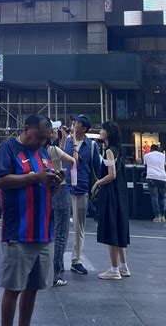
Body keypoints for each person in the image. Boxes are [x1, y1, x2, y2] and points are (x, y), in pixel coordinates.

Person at [0, 114, 63, 326]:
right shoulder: (8, 149)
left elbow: (47, 189)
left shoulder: (42, 153)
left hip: (43, 232)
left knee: (32, 288)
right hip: (18, 232)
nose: (42, 141)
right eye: (39, 136)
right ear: (26, 129)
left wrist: (55, 183)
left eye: (45, 138)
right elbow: (0, 181)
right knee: (13, 289)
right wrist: (35, 177)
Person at [91, 121, 130, 280]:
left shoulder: (109, 151)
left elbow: (111, 174)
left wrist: (97, 183)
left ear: (109, 133)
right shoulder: (118, 150)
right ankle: (123, 267)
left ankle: (114, 270)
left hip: (110, 194)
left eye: (103, 129)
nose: (100, 131)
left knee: (111, 229)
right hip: (120, 194)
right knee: (119, 228)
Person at [64, 114, 101, 275]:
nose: (74, 124)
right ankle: (58, 259)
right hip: (65, 188)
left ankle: (76, 259)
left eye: (77, 123)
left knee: (79, 227)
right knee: (61, 226)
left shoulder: (91, 145)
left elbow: (97, 169)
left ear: (84, 128)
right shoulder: (66, 141)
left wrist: (95, 187)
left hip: (81, 188)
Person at [47, 122, 77, 287]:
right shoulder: (54, 150)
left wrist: (64, 138)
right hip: (61, 188)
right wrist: (75, 146)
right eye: (55, 130)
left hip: (48, 191)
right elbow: (73, 161)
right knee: (61, 234)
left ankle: (49, 270)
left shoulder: (43, 151)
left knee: (50, 231)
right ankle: (56, 273)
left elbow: (59, 151)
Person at [144, 144, 166, 222]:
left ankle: (157, 216)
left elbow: (146, 166)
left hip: (151, 177)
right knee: (162, 197)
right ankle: (163, 216)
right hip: (162, 177)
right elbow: (164, 166)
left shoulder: (146, 155)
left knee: (154, 197)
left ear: (151, 149)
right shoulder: (163, 155)